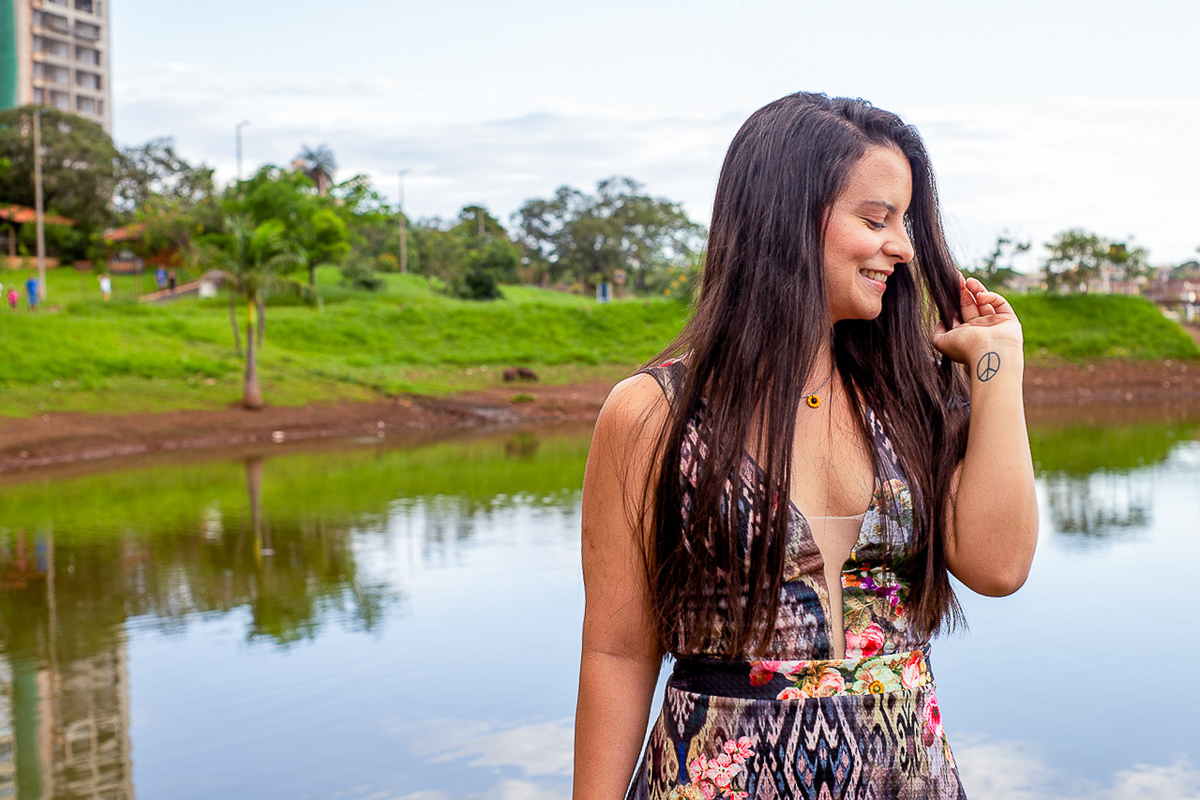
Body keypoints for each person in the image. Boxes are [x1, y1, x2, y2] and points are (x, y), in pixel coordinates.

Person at [574, 93, 1038, 800]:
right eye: (876, 219)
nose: (904, 247)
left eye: (905, 222)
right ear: (786, 219)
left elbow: (998, 567)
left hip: (905, 780)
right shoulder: (652, 416)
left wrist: (998, 369)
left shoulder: (911, 398)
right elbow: (617, 650)